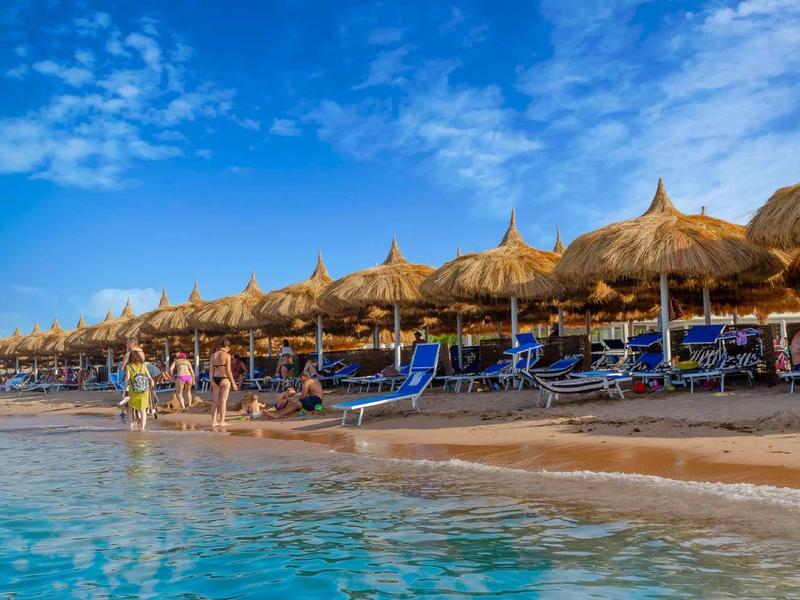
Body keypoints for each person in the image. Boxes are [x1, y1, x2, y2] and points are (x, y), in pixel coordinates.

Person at [210, 339, 238, 427]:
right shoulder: (227, 355)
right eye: (229, 348)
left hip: (215, 378)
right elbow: (229, 371)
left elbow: (211, 370)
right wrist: (233, 383)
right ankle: (222, 421)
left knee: (215, 402)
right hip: (224, 378)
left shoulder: (213, 355)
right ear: (227, 347)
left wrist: (211, 382)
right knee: (223, 401)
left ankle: (213, 422)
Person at [125, 351, 154, 431]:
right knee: (143, 410)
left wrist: (124, 391)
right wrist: (152, 383)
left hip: (133, 391)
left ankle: (131, 427)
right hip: (144, 391)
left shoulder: (129, 366)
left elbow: (127, 380)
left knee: (131, 409)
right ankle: (142, 428)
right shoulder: (143, 365)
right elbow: (149, 377)